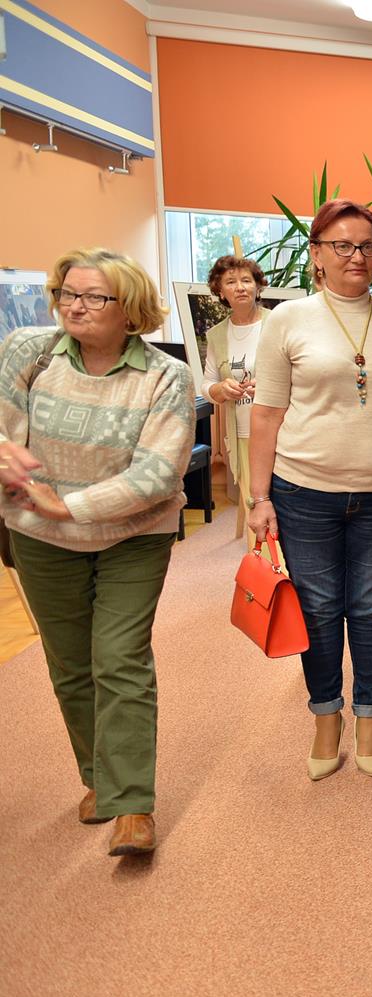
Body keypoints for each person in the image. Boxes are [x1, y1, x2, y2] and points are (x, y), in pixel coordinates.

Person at [0, 248, 195, 856]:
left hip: (134, 536)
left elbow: (158, 474)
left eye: (92, 297)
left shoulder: (165, 376)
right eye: (67, 293)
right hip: (40, 537)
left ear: (129, 310)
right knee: (70, 664)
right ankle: (99, 780)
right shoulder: (28, 352)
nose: (74, 306)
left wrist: (71, 506)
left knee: (119, 657)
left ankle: (133, 805)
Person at [249, 197, 372, 781]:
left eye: (367, 246)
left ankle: (370, 717)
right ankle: (325, 716)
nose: (356, 255)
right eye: (342, 245)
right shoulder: (287, 320)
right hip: (303, 491)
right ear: (316, 254)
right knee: (319, 608)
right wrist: (260, 497)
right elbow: (266, 414)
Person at [201, 255, 270, 526]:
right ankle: (259, 554)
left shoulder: (277, 323)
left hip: (279, 431)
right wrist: (220, 388)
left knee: (283, 505)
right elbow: (207, 385)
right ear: (220, 291)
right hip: (241, 433)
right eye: (230, 282)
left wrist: (269, 387)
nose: (240, 287)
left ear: (258, 286)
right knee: (254, 504)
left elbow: (300, 375)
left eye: (246, 280)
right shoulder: (217, 335)